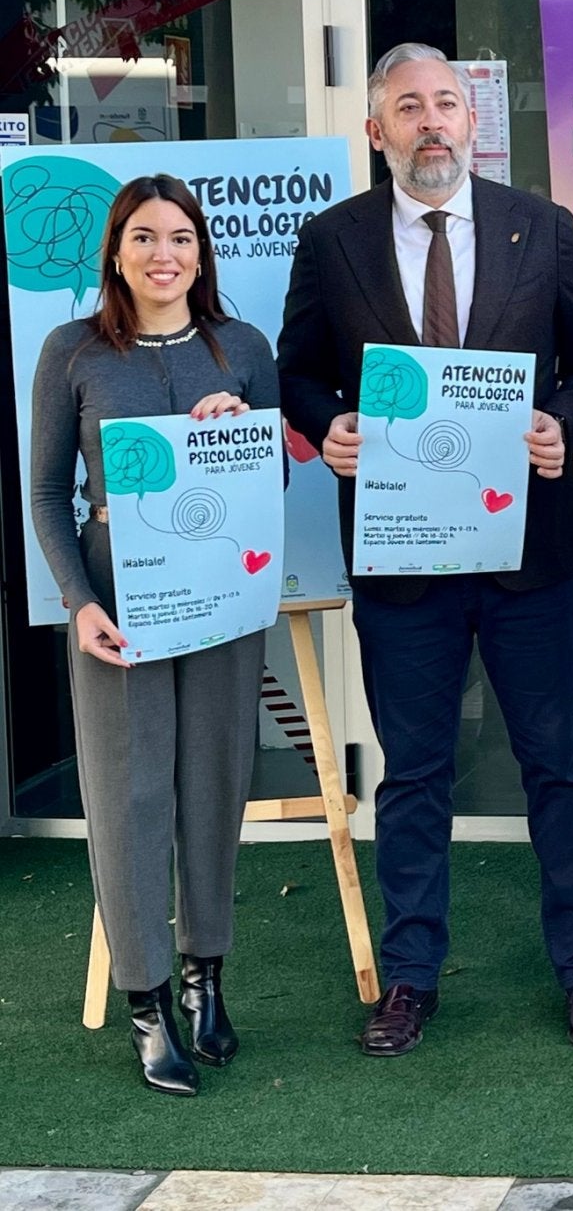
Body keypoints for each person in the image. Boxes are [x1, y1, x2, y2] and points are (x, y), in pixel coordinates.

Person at [278, 42, 573, 1058]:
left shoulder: (542, 229)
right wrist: (328, 426)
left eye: (445, 103)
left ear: (474, 121)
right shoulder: (332, 239)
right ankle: (411, 977)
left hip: (528, 555)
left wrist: (562, 424)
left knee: (556, 766)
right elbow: (300, 370)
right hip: (402, 557)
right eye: (406, 107)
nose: (430, 121)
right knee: (416, 772)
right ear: (377, 130)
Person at [31, 175, 277, 1096]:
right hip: (116, 604)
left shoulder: (244, 349)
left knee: (212, 785)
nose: (163, 253)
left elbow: (271, 489)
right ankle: (146, 1006)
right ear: (117, 253)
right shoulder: (73, 352)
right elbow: (49, 491)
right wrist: (77, 600)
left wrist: (243, 431)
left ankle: (205, 978)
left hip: (219, 596)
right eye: (144, 237)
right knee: (131, 797)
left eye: (180, 237)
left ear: (201, 253)